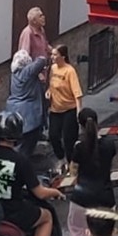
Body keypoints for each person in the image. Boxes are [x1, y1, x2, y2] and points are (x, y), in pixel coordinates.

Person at [66, 107, 118, 236]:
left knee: (77, 231)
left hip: (81, 198)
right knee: (105, 235)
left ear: (81, 126)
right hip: (105, 198)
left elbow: (73, 171)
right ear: (97, 123)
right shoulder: (109, 145)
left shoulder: (79, 147)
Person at [6, 48, 48, 159]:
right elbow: (42, 60)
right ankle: (21, 166)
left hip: (13, 111)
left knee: (18, 143)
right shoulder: (27, 72)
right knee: (26, 146)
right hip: (28, 114)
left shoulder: (13, 74)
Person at [48, 45, 83, 175]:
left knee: (69, 140)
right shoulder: (53, 69)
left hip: (69, 109)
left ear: (63, 57)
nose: (52, 57)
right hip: (55, 110)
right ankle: (61, 158)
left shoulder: (70, 71)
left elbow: (77, 93)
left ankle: (71, 164)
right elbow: (52, 84)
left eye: (55, 55)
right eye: (52, 54)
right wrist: (48, 91)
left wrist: (79, 111)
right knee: (53, 136)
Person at [18, 7, 51, 126]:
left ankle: (42, 126)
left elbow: (45, 46)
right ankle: (37, 128)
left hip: (44, 72)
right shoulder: (28, 33)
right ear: (34, 21)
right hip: (35, 76)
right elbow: (25, 58)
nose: (44, 17)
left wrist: (56, 52)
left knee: (44, 102)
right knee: (37, 103)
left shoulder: (41, 30)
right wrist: (37, 73)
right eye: (40, 16)